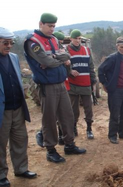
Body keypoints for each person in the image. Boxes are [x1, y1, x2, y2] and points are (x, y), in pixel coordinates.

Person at [23, 13, 86, 164]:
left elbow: (65, 56)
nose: (52, 29)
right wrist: (57, 60)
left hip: (60, 82)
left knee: (67, 115)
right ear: (41, 24)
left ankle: (69, 144)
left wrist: (54, 59)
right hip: (47, 85)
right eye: (49, 26)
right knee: (50, 119)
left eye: (54, 26)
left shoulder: (54, 39)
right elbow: (47, 61)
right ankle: (51, 150)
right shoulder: (32, 42)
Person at [0, 27, 37, 187]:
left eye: (11, 43)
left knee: (20, 140)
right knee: (1, 144)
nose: (9, 46)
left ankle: (21, 169)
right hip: (2, 111)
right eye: (5, 43)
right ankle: (1, 175)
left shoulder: (14, 58)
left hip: (17, 108)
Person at [98, 36, 123, 144]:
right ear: (117, 46)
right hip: (115, 90)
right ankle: (112, 135)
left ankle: (122, 132)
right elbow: (100, 70)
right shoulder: (112, 58)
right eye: (121, 47)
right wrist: (105, 83)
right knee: (115, 113)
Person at [35, 31, 66, 147]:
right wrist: (61, 59)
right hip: (51, 83)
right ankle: (42, 134)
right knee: (51, 116)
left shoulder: (58, 48)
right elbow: (50, 61)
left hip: (63, 83)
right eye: (60, 42)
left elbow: (67, 60)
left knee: (63, 116)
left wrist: (57, 59)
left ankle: (62, 137)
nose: (61, 45)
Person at [66, 29, 97, 139]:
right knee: (74, 110)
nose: (78, 41)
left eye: (79, 38)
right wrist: (69, 71)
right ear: (71, 39)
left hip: (85, 83)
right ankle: (74, 128)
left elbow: (91, 67)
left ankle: (89, 129)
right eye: (75, 38)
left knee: (88, 109)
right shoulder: (66, 50)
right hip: (73, 84)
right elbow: (62, 65)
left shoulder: (86, 50)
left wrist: (93, 81)